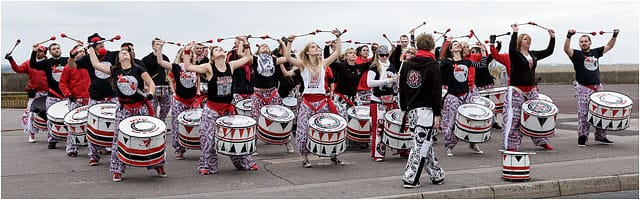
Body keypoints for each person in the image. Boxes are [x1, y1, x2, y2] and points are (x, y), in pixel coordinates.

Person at [87, 43, 163, 182]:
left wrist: (151, 93)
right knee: (118, 139)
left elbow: (151, 83)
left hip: (140, 107)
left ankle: (157, 164)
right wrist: (91, 49)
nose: (124, 53)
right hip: (123, 108)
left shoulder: (139, 69)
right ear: (118, 58)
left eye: (126, 52)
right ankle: (117, 169)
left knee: (148, 137)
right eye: (121, 52)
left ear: (130, 56)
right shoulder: (114, 70)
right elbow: (96, 65)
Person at [183, 36, 259, 175]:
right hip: (212, 109)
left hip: (228, 108)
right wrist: (187, 51)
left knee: (235, 137)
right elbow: (188, 67)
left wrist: (246, 43)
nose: (220, 50)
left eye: (221, 48)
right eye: (217, 49)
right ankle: (207, 165)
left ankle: (243, 163)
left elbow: (247, 58)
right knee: (208, 138)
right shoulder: (209, 67)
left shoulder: (231, 65)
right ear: (212, 56)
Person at [279, 29, 343, 168]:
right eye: (313, 46)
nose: (316, 48)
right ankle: (305, 157)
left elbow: (337, 52)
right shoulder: (303, 65)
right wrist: (290, 42)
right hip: (307, 102)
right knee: (303, 129)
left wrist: (338, 37)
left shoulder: (323, 64)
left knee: (328, 128)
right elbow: (289, 58)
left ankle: (333, 154)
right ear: (307, 52)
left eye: (317, 46)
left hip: (322, 101)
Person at [399, 33, 445, 188]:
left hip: (411, 109)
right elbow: (436, 92)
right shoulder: (433, 66)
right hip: (426, 110)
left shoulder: (406, 64)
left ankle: (436, 174)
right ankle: (410, 178)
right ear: (432, 47)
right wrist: (437, 114)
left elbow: (402, 88)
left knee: (425, 143)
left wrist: (403, 108)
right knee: (421, 146)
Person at [503, 23, 555, 151]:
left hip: (531, 90)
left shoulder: (533, 54)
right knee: (514, 117)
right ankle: (511, 144)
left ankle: (541, 140)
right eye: (526, 39)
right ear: (520, 41)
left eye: (529, 40)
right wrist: (515, 32)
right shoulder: (515, 54)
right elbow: (511, 48)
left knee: (537, 115)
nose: (528, 42)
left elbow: (548, 51)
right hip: (516, 90)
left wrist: (552, 37)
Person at [564, 29, 620, 146]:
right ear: (579, 44)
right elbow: (566, 49)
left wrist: (615, 35)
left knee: (602, 112)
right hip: (583, 87)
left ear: (590, 43)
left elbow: (609, 46)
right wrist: (569, 36)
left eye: (585, 41)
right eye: (581, 42)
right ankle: (582, 136)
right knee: (583, 113)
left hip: (597, 87)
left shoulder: (596, 52)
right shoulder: (577, 54)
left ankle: (601, 136)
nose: (583, 43)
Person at [72, 33, 119, 166]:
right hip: (96, 97)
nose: (101, 43)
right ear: (92, 46)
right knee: (93, 127)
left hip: (113, 96)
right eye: (97, 42)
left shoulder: (113, 55)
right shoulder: (87, 59)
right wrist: (72, 55)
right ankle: (93, 155)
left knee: (115, 126)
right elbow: (71, 66)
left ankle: (114, 151)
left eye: (102, 41)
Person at [154, 40, 201, 160]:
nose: (189, 55)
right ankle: (179, 149)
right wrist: (159, 48)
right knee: (176, 124)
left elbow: (198, 79)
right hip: (180, 100)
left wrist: (198, 91)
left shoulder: (195, 67)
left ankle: (199, 145)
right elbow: (160, 61)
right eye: (187, 53)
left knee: (197, 123)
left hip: (193, 100)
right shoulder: (175, 67)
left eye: (191, 53)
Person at [440, 39, 487, 156]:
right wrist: (446, 42)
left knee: (472, 120)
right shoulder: (447, 62)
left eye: (458, 44)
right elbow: (441, 62)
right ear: (451, 49)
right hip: (453, 96)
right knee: (452, 122)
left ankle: (473, 143)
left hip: (466, 95)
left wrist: (484, 52)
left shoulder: (466, 62)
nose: (457, 45)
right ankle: (449, 146)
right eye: (454, 45)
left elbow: (482, 65)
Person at [250, 43, 297, 154]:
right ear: (258, 51)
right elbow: (244, 55)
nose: (265, 47)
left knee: (281, 118)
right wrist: (245, 42)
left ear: (270, 51)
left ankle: (287, 143)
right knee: (256, 119)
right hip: (258, 94)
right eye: (262, 46)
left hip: (272, 92)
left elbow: (286, 58)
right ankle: (253, 145)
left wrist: (282, 44)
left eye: (267, 46)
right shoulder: (255, 60)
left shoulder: (273, 60)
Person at [368, 45, 407, 161]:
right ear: (377, 55)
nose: (384, 57)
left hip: (391, 100)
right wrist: (386, 80)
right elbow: (369, 83)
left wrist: (397, 79)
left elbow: (395, 84)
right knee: (378, 127)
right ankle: (378, 152)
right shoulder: (373, 67)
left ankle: (401, 149)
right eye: (382, 55)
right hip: (378, 101)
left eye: (386, 55)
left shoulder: (392, 66)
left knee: (396, 126)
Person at [5, 45, 48, 143]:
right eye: (37, 51)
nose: (38, 53)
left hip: (48, 93)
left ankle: (53, 134)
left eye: (40, 51)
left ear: (45, 53)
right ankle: (31, 134)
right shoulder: (29, 63)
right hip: (35, 93)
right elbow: (18, 69)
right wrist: (11, 60)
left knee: (49, 114)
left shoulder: (49, 63)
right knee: (31, 114)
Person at [30, 42, 68, 150]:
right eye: (54, 49)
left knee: (67, 119)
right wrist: (34, 51)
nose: (56, 50)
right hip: (53, 95)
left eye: (58, 48)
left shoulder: (67, 60)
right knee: (51, 119)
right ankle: (52, 140)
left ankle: (70, 140)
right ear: (50, 52)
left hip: (66, 95)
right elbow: (33, 65)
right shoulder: (47, 63)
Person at [60, 44, 90, 157]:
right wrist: (68, 94)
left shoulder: (89, 65)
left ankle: (97, 148)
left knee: (92, 125)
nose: (81, 53)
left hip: (89, 98)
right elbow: (62, 82)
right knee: (73, 125)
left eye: (83, 52)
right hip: (75, 99)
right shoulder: (68, 67)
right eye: (79, 52)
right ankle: (71, 148)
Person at [142, 40, 172, 123]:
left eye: (160, 44)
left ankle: (162, 122)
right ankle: (153, 124)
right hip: (152, 87)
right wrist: (145, 85)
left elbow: (169, 72)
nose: (159, 46)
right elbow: (142, 74)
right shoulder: (146, 59)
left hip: (164, 86)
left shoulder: (165, 58)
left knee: (166, 106)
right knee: (152, 108)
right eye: (157, 44)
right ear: (153, 46)